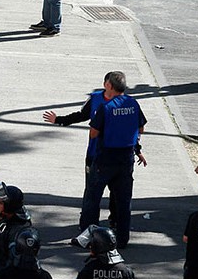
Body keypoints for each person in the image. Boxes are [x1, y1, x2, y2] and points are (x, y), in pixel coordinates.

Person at [43, 72, 147, 228]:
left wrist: (137, 149)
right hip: (96, 156)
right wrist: (59, 120)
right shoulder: (96, 99)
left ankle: (109, 222)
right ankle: (94, 226)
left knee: (114, 194)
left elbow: (133, 129)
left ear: (107, 84)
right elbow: (81, 115)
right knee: (95, 192)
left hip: (110, 156)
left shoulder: (124, 104)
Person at [81, 71, 146, 248]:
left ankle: (89, 236)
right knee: (123, 201)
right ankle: (122, 238)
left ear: (109, 85)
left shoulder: (106, 107)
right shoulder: (133, 104)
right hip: (126, 159)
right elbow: (141, 128)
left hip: (105, 158)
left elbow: (94, 132)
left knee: (92, 198)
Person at [0, 184, 32, 279]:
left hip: (3, 278)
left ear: (9, 205)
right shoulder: (22, 220)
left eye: (1, 203)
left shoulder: (7, 227)